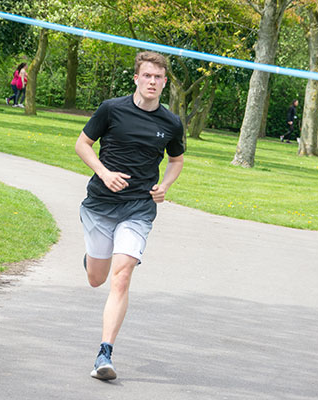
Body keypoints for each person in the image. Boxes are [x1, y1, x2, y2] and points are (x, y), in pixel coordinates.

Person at [74, 51, 185, 381]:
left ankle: (104, 354)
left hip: (138, 208)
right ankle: (94, 259)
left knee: (121, 277)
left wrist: (164, 185)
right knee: (97, 278)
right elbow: (82, 144)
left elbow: (176, 161)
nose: (152, 82)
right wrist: (104, 173)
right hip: (100, 204)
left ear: (165, 82)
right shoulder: (112, 109)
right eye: (147, 76)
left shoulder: (171, 123)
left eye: (158, 77)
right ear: (136, 78)